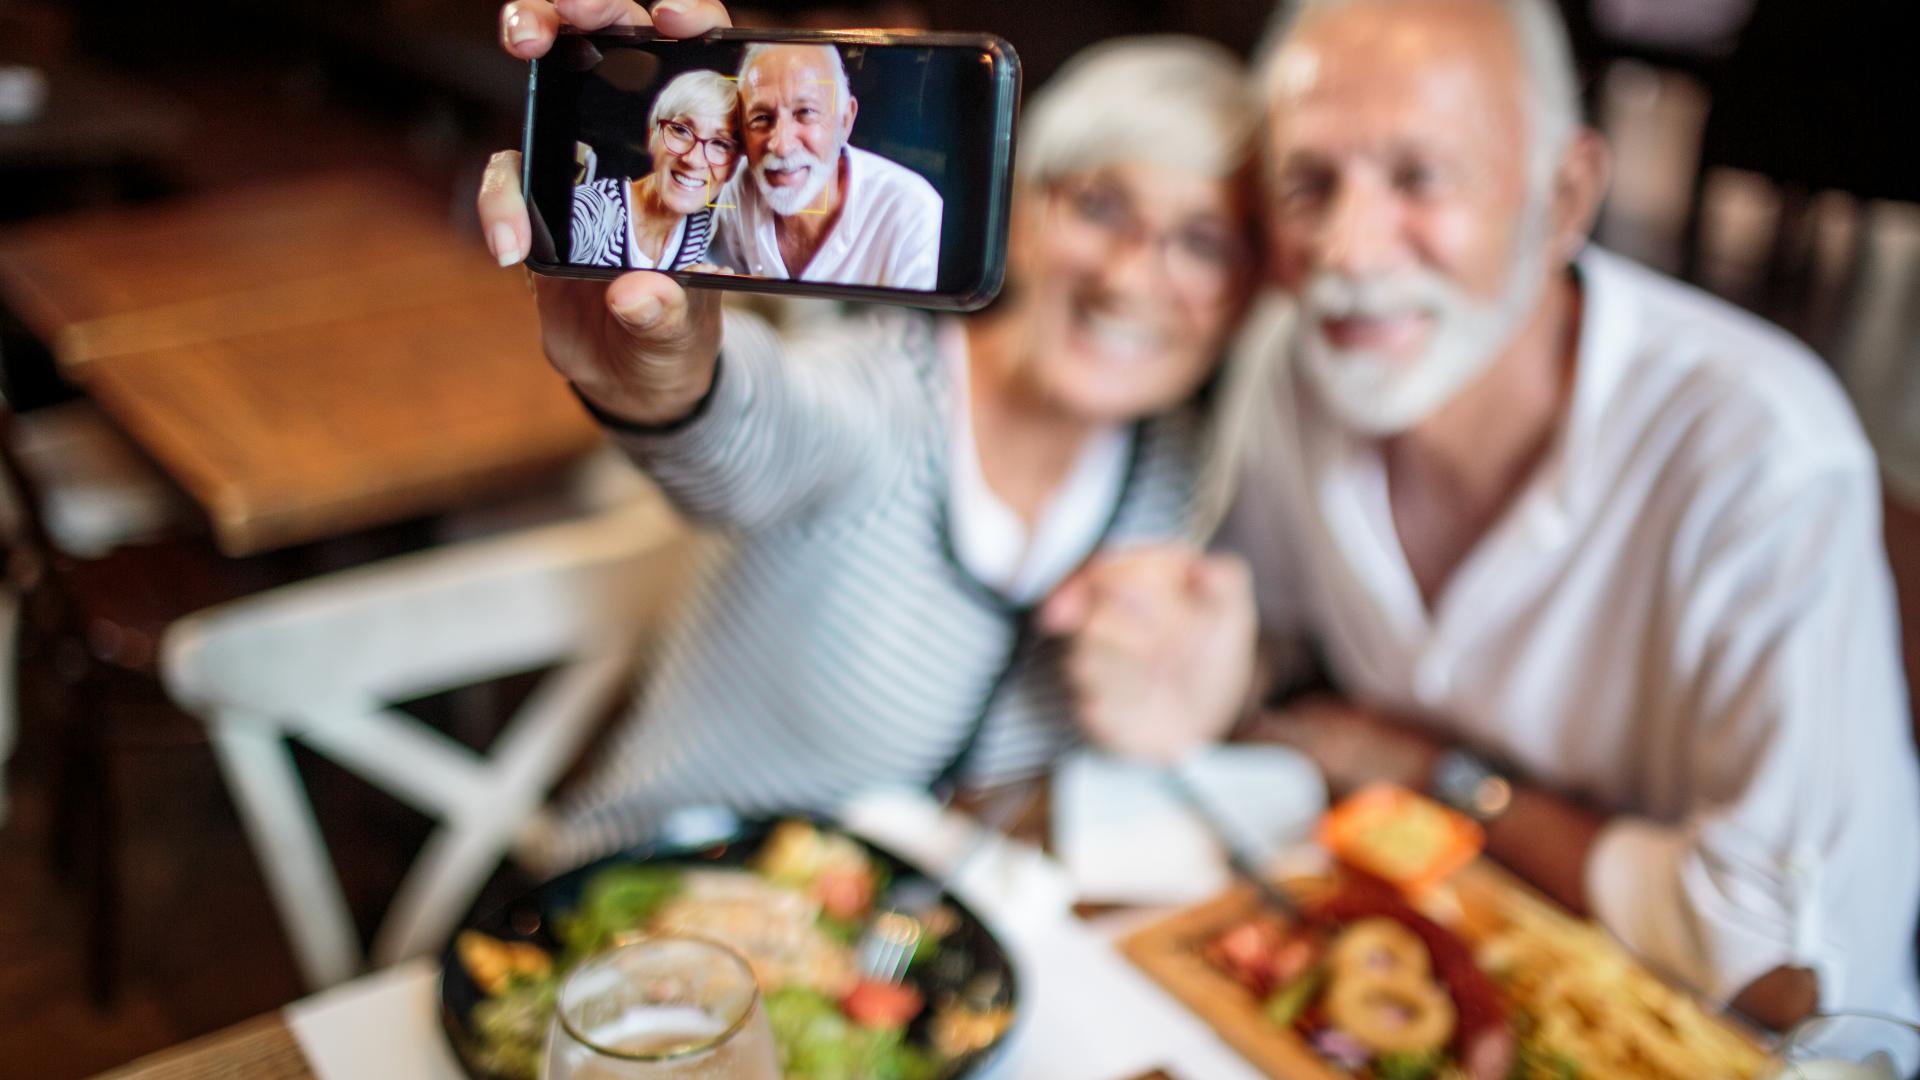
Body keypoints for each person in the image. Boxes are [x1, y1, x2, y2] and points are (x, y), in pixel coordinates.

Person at [1045, 0, 1920, 1029]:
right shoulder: (1296, 368)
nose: (1348, 249)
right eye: (1308, 183)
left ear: (1565, 197)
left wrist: (1426, 773)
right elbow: (1275, 660)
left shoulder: (1751, 444)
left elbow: (1784, 971)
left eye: (1419, 177)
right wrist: (1204, 661)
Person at [483, 0, 1264, 871]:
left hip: (908, 959)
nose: (1130, 277)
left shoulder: (1188, 472)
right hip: (644, 898)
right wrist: (669, 380)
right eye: (1102, 206)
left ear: (1249, 294)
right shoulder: (884, 387)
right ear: (1031, 206)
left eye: (1203, 243)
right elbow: (761, 427)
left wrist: (1224, 690)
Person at [713, 42, 944, 289]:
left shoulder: (910, 208)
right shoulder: (730, 187)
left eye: (805, 112)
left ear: (845, 121)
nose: (781, 145)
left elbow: (914, 326)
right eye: (760, 117)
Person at [569, 69, 740, 270]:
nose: (693, 159)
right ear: (653, 135)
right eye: (681, 130)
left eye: (720, 144)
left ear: (733, 168)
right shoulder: (594, 210)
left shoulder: (700, 225)